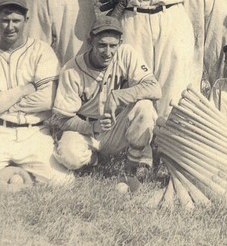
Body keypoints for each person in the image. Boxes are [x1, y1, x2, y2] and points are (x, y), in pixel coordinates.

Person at [0, 0, 74, 194]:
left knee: (62, 184)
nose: (10, 27)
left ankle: (13, 172)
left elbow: (48, 99)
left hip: (34, 131)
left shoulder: (41, 51)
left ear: (26, 20)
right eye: (5, 20)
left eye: (16, 20)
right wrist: (25, 89)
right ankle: (12, 171)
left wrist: (1, 101)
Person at [51, 16, 161, 183]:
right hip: (86, 129)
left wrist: (121, 95)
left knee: (145, 106)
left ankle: (133, 162)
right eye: (102, 45)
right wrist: (92, 127)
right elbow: (62, 119)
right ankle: (94, 160)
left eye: (113, 45)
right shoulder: (71, 69)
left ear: (120, 42)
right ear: (90, 41)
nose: (108, 52)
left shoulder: (126, 53)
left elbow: (154, 88)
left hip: (117, 126)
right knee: (68, 156)